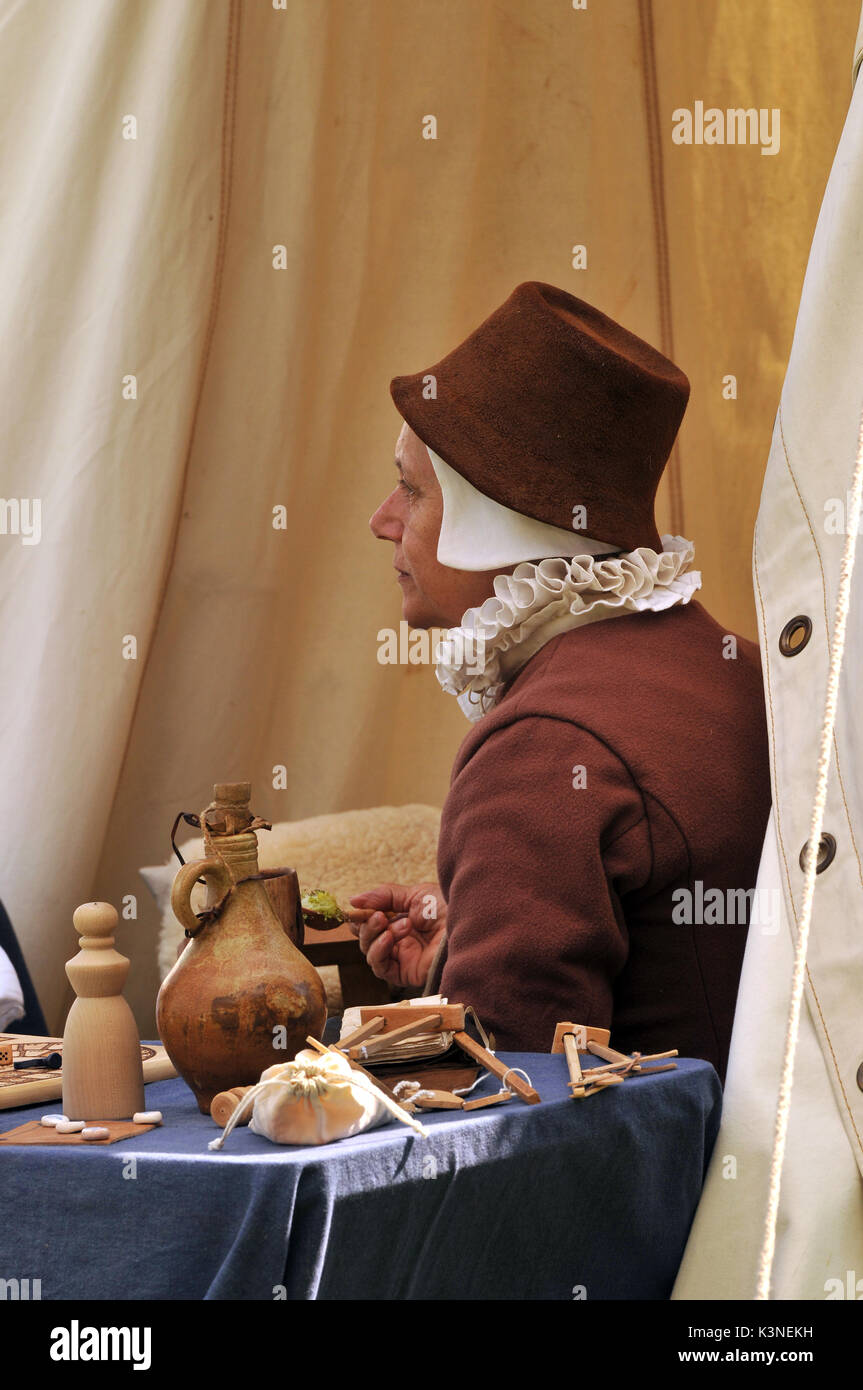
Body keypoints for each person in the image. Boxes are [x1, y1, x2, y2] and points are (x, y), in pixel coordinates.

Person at [350, 281, 771, 1082]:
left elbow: (508, 1096)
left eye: (410, 489)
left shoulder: (543, 746)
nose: (382, 521)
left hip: (686, 1166)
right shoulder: (740, 668)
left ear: (492, 522)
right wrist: (462, 958)